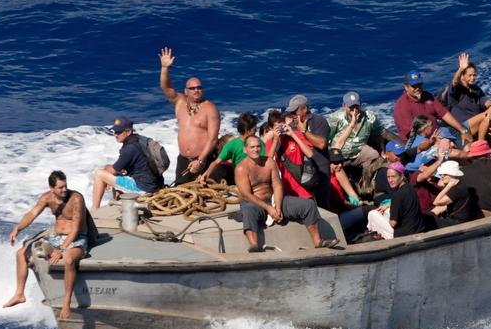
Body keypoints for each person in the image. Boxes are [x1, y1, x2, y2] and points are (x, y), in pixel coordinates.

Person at [4, 171, 90, 320]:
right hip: (56, 238)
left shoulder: (76, 198)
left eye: (65, 186)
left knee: (68, 260)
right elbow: (32, 214)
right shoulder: (47, 198)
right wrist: (17, 228)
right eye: (60, 188)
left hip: (76, 238)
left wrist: (62, 249)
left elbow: (75, 229)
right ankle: (19, 294)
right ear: (52, 188)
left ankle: (66, 302)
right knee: (20, 254)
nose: (64, 190)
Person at [234, 135, 338, 252]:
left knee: (308, 205)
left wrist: (277, 207)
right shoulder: (241, 168)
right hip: (256, 203)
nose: (256, 149)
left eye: (258, 146)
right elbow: (246, 195)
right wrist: (269, 208)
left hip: (273, 199)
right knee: (248, 209)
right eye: (252, 147)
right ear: (245, 149)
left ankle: (318, 241)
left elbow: (277, 185)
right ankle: (254, 245)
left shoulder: (269, 162)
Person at [158, 47, 221, 184]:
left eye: (199, 88)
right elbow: (166, 88)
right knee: (181, 196)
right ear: (186, 91)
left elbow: (213, 140)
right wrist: (165, 68)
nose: (196, 90)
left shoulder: (210, 108)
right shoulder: (179, 102)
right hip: (183, 160)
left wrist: (200, 160)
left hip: (203, 160)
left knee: (205, 199)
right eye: (192, 88)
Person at [91, 116, 161, 210]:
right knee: (114, 174)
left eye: (119, 132)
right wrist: (110, 172)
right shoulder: (139, 140)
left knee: (99, 174)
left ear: (128, 132)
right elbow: (117, 169)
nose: (116, 135)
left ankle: (94, 210)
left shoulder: (129, 149)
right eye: (115, 132)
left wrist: (107, 174)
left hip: (143, 189)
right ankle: (119, 204)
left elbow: (112, 170)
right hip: (154, 184)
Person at [393, 69, 471, 142]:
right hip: (422, 145)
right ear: (406, 87)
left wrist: (463, 130)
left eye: (419, 84)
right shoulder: (401, 106)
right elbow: (412, 135)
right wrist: (435, 142)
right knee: (458, 153)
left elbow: (444, 114)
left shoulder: (427, 96)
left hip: (439, 134)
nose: (417, 88)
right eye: (414, 86)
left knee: (469, 134)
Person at [326, 91, 391, 178]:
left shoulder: (370, 118)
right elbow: (326, 138)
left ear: (360, 104)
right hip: (339, 155)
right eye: (351, 107)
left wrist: (382, 151)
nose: (354, 110)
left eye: (356, 106)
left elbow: (378, 133)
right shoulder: (335, 118)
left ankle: (366, 183)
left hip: (359, 152)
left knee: (373, 155)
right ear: (344, 106)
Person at [286, 94, 332, 207]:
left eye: (294, 112)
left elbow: (321, 144)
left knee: (323, 205)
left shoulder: (319, 121)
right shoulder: (291, 126)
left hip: (320, 171)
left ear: (304, 109)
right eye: (290, 113)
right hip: (302, 172)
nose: (293, 116)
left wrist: (304, 132)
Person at [446, 53, 491, 140]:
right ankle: (480, 143)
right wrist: (461, 69)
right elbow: (455, 81)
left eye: (474, 75)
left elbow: (485, 100)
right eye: (469, 75)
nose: (473, 78)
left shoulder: (475, 89)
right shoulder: (457, 88)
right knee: (486, 116)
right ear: (462, 76)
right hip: (463, 127)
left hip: (477, 123)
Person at [266, 110, 318, 200]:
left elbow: (310, 154)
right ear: (271, 129)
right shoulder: (271, 142)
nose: (280, 129)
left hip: (303, 187)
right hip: (287, 189)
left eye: (282, 125)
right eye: (277, 127)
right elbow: (267, 162)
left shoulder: (296, 135)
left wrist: (293, 135)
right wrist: (275, 140)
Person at [430, 160, 482, 226]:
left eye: (444, 174)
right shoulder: (459, 184)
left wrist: (448, 186)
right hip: (459, 219)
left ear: (451, 175)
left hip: (457, 221)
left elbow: (436, 202)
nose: (442, 176)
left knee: (430, 221)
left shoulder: (457, 190)